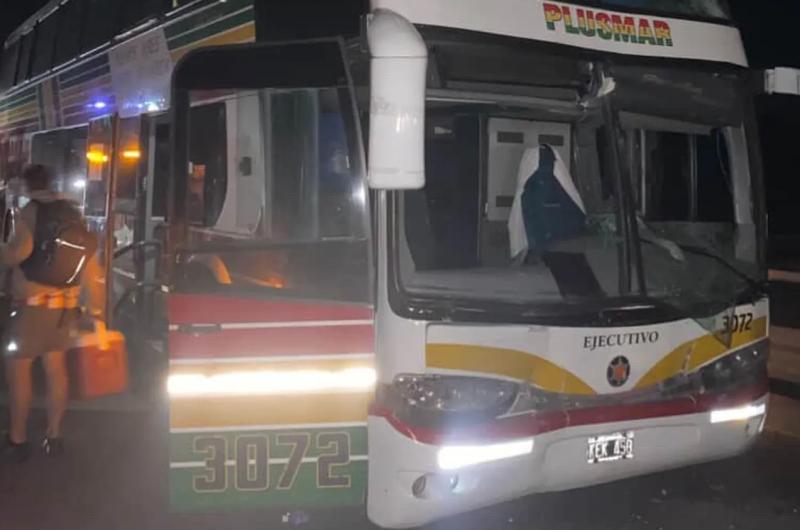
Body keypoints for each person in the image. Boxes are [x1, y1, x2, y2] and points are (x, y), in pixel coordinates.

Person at [0, 164, 103, 462]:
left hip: (32, 310)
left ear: (28, 185)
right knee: (57, 371)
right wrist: (94, 307)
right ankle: (54, 435)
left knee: (19, 372)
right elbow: (89, 264)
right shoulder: (72, 212)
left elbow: (19, 252)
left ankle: (17, 439)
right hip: (65, 311)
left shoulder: (32, 210)